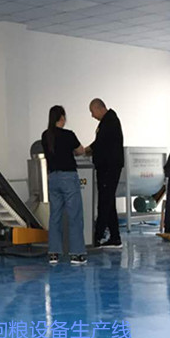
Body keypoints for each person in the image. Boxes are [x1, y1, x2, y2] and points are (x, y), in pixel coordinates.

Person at [41, 105, 87, 265]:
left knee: (55, 216)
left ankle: (53, 253)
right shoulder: (68, 135)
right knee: (74, 215)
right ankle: (77, 254)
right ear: (62, 118)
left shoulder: (45, 135)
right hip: (68, 177)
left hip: (52, 178)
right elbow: (81, 150)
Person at [85, 98, 124, 248]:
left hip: (109, 167)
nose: (92, 115)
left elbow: (100, 143)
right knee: (109, 202)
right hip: (107, 167)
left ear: (99, 108)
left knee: (104, 202)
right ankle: (115, 237)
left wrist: (86, 150)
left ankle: (97, 236)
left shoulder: (110, 121)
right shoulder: (107, 121)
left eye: (92, 111)